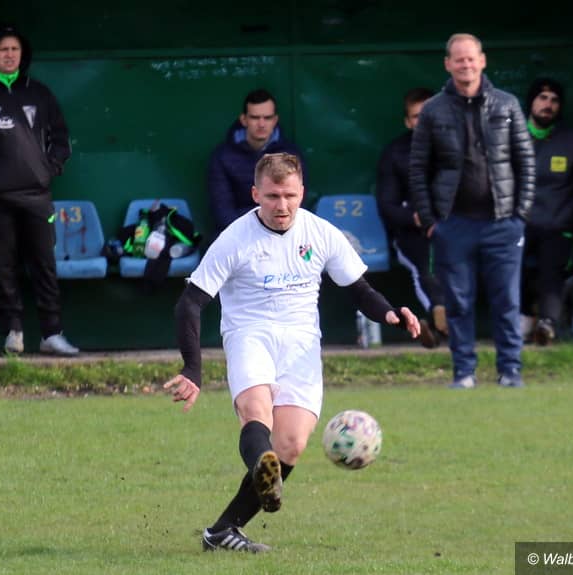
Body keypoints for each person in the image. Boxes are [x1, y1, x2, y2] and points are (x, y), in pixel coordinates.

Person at [163, 153, 420, 553]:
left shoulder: (321, 232)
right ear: (256, 194)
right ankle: (262, 467)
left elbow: (359, 289)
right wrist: (193, 369)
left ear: (302, 192)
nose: (282, 205)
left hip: (301, 343)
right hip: (250, 334)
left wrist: (390, 313)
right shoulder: (235, 238)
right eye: (272, 196)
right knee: (256, 412)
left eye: (289, 196)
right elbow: (190, 303)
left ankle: (223, 531)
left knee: (291, 445)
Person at [409, 33, 536, 389]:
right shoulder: (433, 110)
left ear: (482, 61)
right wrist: (431, 221)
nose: (466, 65)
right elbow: (418, 168)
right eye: (459, 59)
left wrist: (520, 215)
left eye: (471, 58)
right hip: (453, 225)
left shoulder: (507, 104)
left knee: (506, 301)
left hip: (503, 223)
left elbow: (526, 161)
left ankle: (510, 371)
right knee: (458, 304)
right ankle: (464, 372)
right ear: (448, 64)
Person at [0, 22, 78, 356]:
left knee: (44, 265)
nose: (9, 55)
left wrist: (48, 171)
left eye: (15, 49)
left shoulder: (40, 93)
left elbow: (61, 140)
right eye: (3, 49)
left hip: (37, 195)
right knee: (4, 266)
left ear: (23, 54)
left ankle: (51, 333)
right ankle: (13, 331)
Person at [519, 77, 573, 345]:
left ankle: (547, 324)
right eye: (542, 98)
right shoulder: (512, 137)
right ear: (531, 102)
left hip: (557, 223)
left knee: (552, 268)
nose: (548, 105)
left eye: (554, 100)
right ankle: (523, 319)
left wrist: (567, 216)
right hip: (518, 223)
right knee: (509, 264)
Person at [376, 87, 446, 348]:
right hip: (412, 233)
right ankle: (439, 313)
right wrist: (415, 218)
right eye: (417, 116)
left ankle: (438, 327)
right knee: (425, 266)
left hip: (455, 228)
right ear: (408, 121)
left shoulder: (456, 147)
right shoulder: (395, 154)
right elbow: (387, 205)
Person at [207, 89, 307, 236]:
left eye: (267, 118)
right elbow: (222, 209)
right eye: (255, 117)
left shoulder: (292, 155)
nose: (261, 124)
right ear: (244, 119)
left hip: (282, 231)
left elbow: (296, 203)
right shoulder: (222, 156)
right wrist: (252, 233)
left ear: (275, 120)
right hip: (237, 233)